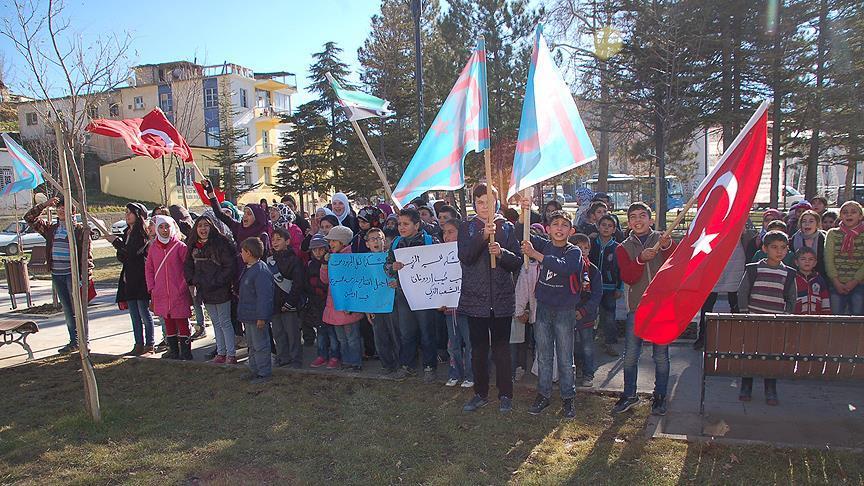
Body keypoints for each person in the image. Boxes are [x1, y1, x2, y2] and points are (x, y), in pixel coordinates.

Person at [459, 184, 522, 414]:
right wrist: (483, 237)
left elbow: (517, 262)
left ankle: (505, 394)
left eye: (490, 202)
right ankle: (480, 393)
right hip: (475, 299)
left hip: (501, 299)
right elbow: (465, 257)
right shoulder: (467, 227)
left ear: (497, 202)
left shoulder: (507, 227)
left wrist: (501, 253)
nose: (485, 207)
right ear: (474, 204)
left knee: (502, 350)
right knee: (478, 350)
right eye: (480, 202)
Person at [612, 202, 675, 416]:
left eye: (642, 216)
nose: (638, 220)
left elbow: (675, 264)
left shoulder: (663, 239)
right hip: (637, 307)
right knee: (631, 355)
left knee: (661, 356)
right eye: (633, 217)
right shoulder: (622, 248)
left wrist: (666, 247)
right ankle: (629, 394)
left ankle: (660, 396)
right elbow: (628, 276)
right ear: (628, 222)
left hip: (661, 306)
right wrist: (640, 260)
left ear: (650, 219)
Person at [520, 205, 582, 418]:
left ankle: (568, 397)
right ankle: (543, 394)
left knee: (565, 357)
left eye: (564, 225)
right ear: (547, 229)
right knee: (544, 355)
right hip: (544, 308)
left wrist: (536, 255)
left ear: (571, 231)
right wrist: (524, 213)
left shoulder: (573, 252)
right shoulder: (544, 245)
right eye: (555, 224)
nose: (559, 228)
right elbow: (523, 233)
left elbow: (565, 267)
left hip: (565, 310)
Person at [24, 196, 94, 354]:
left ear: (73, 212)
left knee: (79, 310)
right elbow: (29, 218)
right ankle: (74, 341)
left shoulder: (79, 231)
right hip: (57, 274)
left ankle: (84, 342)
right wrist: (45, 204)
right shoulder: (52, 229)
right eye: (59, 207)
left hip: (72, 275)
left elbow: (87, 256)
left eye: (65, 208)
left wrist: (85, 276)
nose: (62, 210)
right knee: (68, 311)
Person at [737, 230, 796, 405]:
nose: (779, 251)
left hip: (774, 323)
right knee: (750, 354)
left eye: (783, 248)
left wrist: (786, 315)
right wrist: (744, 312)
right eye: (774, 247)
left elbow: (791, 298)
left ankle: (770, 388)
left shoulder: (788, 273)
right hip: (753, 319)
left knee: (771, 355)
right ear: (764, 248)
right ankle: (746, 386)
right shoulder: (754, 268)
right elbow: (743, 291)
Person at [387, 208, 441, 383]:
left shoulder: (429, 241)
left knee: (427, 332)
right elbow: (386, 266)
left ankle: (429, 367)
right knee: (406, 332)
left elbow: (441, 264)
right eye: (399, 224)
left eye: (406, 224)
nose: (401, 227)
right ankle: (407, 365)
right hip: (404, 295)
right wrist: (392, 269)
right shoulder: (396, 243)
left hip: (425, 295)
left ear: (416, 225)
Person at [184, 213, 238, 364]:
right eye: (200, 226)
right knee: (215, 322)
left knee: (225, 322)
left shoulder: (221, 243)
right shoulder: (193, 245)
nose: (203, 229)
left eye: (206, 225)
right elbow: (188, 265)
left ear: (212, 227)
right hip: (204, 290)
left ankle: (231, 354)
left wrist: (217, 281)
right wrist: (193, 280)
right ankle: (221, 352)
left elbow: (229, 266)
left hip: (220, 289)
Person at [108, 203, 155, 356]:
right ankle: (138, 344)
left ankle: (150, 344)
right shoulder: (126, 233)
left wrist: (116, 242)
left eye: (130, 212)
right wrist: (118, 245)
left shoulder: (141, 233)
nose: (127, 215)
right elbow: (123, 256)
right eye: (126, 212)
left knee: (144, 313)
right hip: (128, 278)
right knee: (134, 315)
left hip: (140, 278)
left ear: (138, 214)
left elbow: (133, 253)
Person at [145, 215, 193, 360]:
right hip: (160, 292)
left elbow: (187, 268)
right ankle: (173, 350)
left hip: (178, 292)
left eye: (167, 227)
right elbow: (149, 269)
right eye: (161, 227)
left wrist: (182, 287)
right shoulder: (153, 248)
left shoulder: (180, 247)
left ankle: (186, 352)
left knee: (182, 320)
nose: (164, 230)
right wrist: (152, 287)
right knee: (168, 320)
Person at [321, 225, 365, 371]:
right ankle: (346, 361)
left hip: (349, 305)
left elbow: (355, 283)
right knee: (341, 338)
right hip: (334, 305)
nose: (330, 244)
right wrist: (325, 265)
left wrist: (351, 304)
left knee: (352, 337)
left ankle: (355, 362)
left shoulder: (351, 258)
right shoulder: (332, 258)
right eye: (330, 241)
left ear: (343, 242)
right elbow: (325, 280)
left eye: (333, 241)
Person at [437, 219, 473, 388]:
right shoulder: (438, 254)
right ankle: (455, 373)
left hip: (469, 307)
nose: (446, 236)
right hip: (449, 308)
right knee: (453, 344)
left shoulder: (469, 252)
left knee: (470, 343)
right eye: (444, 232)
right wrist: (437, 300)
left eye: (451, 231)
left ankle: (471, 375)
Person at [267, 227, 307, 368]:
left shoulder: (294, 260)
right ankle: (282, 357)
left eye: (279, 239)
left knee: (293, 333)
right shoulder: (269, 260)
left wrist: (290, 302)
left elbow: (298, 283)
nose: (275, 242)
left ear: (288, 241)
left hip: (289, 303)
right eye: (273, 240)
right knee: (278, 333)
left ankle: (296, 359)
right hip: (274, 303)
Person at [238, 237, 275, 384]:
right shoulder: (249, 268)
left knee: (261, 345)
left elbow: (264, 297)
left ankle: (264, 373)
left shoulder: (260, 271)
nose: (241, 254)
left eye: (242, 251)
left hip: (257, 317)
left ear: (248, 252)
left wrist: (262, 317)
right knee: (252, 346)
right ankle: (254, 370)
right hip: (248, 316)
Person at [365, 227, 401, 375]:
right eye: (373, 239)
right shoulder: (363, 262)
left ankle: (400, 364)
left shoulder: (392, 258)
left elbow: (403, 276)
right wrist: (367, 308)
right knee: (380, 336)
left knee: (396, 334)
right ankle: (387, 365)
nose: (376, 242)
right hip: (375, 305)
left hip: (392, 303)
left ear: (384, 241)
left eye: (379, 238)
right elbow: (362, 287)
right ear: (367, 243)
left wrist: (398, 282)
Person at [571, 233, 602, 389]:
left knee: (587, 346)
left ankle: (588, 374)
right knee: (570, 346)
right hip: (568, 313)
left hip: (587, 315)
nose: (583, 251)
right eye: (578, 248)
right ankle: (572, 372)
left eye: (586, 248)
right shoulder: (567, 269)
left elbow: (597, 295)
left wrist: (583, 311)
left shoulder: (593, 270)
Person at [589, 214, 623, 356]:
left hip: (609, 288)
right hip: (591, 287)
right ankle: (588, 343)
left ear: (614, 229)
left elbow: (621, 269)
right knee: (590, 315)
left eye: (610, 226)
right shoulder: (591, 244)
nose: (606, 228)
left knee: (609, 316)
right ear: (598, 226)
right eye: (603, 225)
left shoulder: (617, 248)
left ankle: (609, 343)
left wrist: (619, 288)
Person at [306, 234, 341, 369]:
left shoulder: (331, 262)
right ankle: (321, 355)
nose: (317, 252)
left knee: (332, 332)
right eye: (314, 250)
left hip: (330, 302)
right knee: (321, 332)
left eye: (320, 249)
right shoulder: (310, 264)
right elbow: (306, 282)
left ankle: (334, 356)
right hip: (316, 303)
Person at [511, 224, 540, 383]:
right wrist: (520, 310)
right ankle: (518, 367)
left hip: (536, 311)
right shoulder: (516, 262)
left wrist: (528, 309)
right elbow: (520, 287)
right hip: (518, 309)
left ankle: (539, 370)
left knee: (538, 342)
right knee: (518, 341)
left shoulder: (538, 264)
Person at [825, 201, 864, 315]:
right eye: (845, 212)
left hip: (859, 283)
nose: (849, 215)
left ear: (860, 216)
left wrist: (855, 281)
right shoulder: (832, 234)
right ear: (840, 216)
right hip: (837, 283)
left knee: (857, 315)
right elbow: (828, 259)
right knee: (836, 315)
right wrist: (836, 281)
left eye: (853, 212)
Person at [794, 247, 831, 315]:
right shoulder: (793, 279)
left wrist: (826, 316)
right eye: (803, 259)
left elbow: (825, 299)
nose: (807, 261)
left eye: (810, 259)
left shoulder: (819, 279)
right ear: (796, 262)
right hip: (797, 317)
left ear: (815, 263)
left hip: (816, 318)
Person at [790, 210, 827, 276]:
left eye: (811, 221)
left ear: (817, 224)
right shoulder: (794, 238)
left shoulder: (824, 238)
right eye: (804, 221)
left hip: (822, 275)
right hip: (799, 275)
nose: (807, 224)